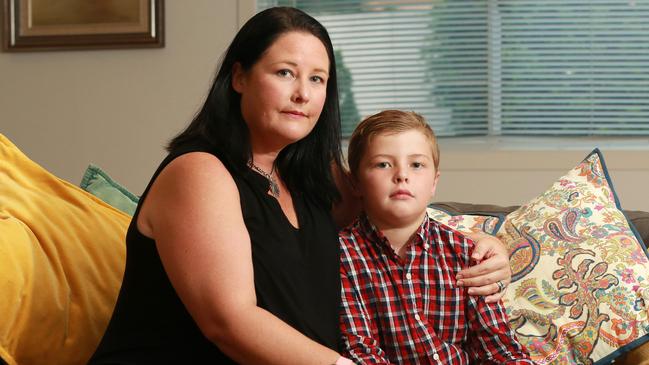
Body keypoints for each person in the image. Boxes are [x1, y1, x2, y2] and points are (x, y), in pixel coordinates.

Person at [88, 7, 512, 365]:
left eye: (317, 79)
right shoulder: (198, 172)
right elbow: (229, 323)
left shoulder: (312, 174)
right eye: (285, 73)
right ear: (239, 77)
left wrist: (485, 246)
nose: (302, 94)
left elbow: (395, 210)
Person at [339, 110, 532, 364]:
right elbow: (360, 350)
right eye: (383, 164)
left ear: (434, 183)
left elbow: (499, 347)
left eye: (416, 165)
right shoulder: (341, 255)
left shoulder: (466, 253)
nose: (401, 175)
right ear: (356, 184)